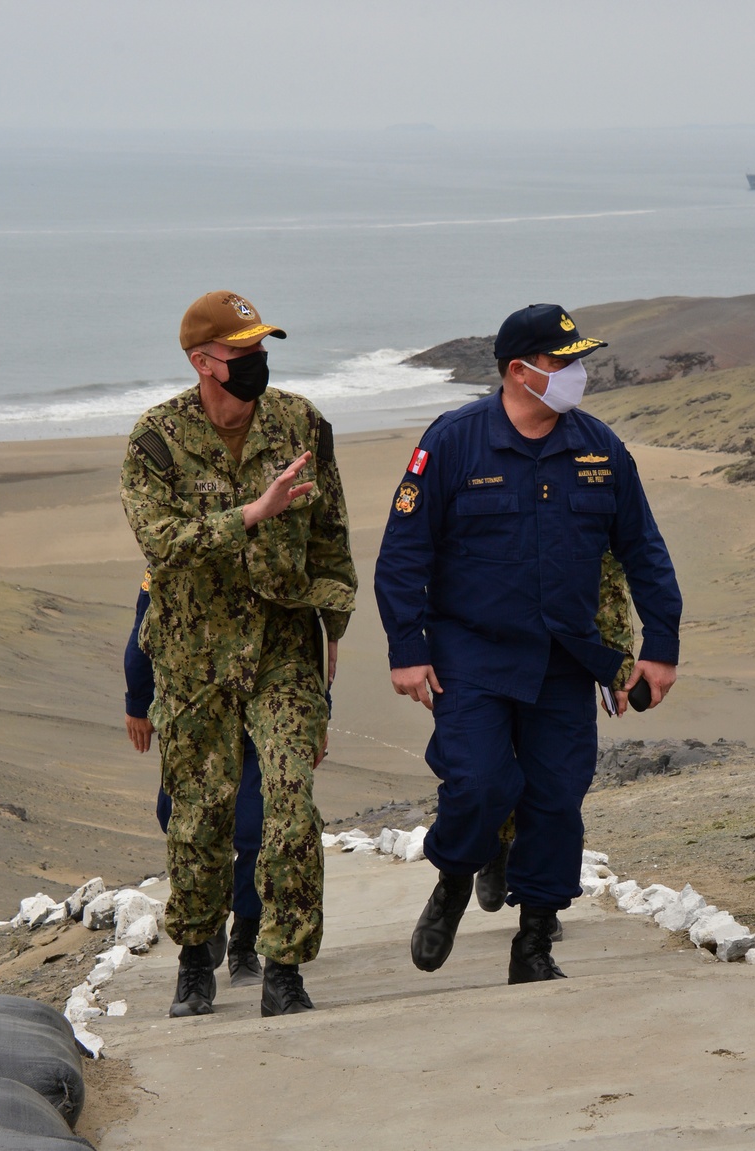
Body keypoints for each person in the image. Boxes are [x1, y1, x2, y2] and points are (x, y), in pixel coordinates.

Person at [374, 303, 681, 984]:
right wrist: (406, 646)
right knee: (481, 782)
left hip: (564, 659)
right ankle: (455, 873)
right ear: (520, 371)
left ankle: (534, 941)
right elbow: (403, 553)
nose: (578, 373)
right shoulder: (453, 443)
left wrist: (660, 645)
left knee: (555, 798)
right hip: (470, 655)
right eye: (563, 361)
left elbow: (643, 550)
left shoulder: (600, 448)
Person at [120, 290, 356, 1018]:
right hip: (193, 657)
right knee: (200, 814)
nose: (257, 362)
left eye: (262, 349)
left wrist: (334, 628)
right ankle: (196, 955)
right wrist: (251, 515)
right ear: (203, 362)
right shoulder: (155, 440)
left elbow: (332, 539)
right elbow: (160, 543)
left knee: (290, 805)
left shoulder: (300, 423)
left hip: (284, 645)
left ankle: (285, 965)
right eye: (241, 353)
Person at [474, 549, 635, 929]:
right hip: (488, 650)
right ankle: (496, 845)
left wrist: (615, 670)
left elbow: (608, 584)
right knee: (491, 769)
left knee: (555, 783)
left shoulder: (585, 496)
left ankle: (539, 902)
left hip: (561, 656)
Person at [123, 569, 266, 987]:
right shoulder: (176, 549)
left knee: (258, 826)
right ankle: (206, 919)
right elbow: (142, 631)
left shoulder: (270, 543)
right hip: (194, 711)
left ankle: (246, 938)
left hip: (257, 706)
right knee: (182, 820)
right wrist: (137, 701)